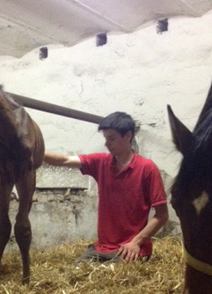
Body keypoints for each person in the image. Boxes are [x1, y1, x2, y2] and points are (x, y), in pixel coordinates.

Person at [44, 111, 169, 262]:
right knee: (75, 274)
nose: (107, 144)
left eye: (112, 138)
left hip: (130, 249)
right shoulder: (101, 162)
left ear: (128, 136)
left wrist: (136, 242)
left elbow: (162, 215)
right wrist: (34, 151)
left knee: (110, 279)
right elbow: (64, 160)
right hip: (101, 248)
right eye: (106, 138)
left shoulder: (147, 169)